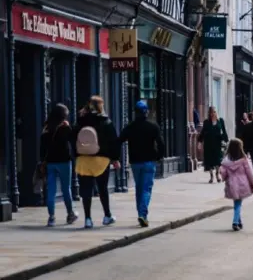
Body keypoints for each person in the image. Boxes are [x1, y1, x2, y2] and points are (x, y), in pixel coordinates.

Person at [74, 96, 120, 229]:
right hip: (101, 159)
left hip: (83, 159)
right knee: (103, 189)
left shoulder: (81, 121)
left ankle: (88, 219)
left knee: (85, 190)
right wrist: (115, 159)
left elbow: (73, 137)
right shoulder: (106, 121)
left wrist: (76, 155)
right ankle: (107, 216)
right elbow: (114, 141)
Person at [119, 101, 165, 227]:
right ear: (146, 112)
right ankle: (142, 214)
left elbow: (120, 139)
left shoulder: (130, 127)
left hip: (135, 162)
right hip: (149, 162)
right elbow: (160, 143)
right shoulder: (153, 126)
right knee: (146, 189)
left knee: (139, 188)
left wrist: (116, 157)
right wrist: (160, 157)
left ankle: (141, 213)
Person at [40, 103, 78, 227]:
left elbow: (42, 147)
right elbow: (73, 140)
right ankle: (70, 214)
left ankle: (51, 217)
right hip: (64, 161)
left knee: (50, 190)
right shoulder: (64, 127)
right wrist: (69, 128)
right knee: (66, 189)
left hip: (50, 162)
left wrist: (42, 161)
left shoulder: (46, 127)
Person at [220, 138, 253, 231]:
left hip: (231, 183)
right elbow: (249, 172)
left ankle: (239, 221)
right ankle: (235, 222)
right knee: (238, 204)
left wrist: (224, 176)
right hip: (242, 183)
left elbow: (223, 174)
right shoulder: (244, 160)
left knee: (236, 203)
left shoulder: (226, 161)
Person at [199, 107, 229, 183]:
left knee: (218, 160)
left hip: (217, 143)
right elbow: (202, 132)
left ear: (216, 112)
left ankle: (217, 174)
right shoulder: (206, 122)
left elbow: (224, 131)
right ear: (209, 113)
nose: (213, 114)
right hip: (208, 143)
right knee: (209, 160)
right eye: (211, 112)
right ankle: (211, 176)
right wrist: (199, 142)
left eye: (214, 112)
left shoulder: (220, 121)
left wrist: (226, 141)